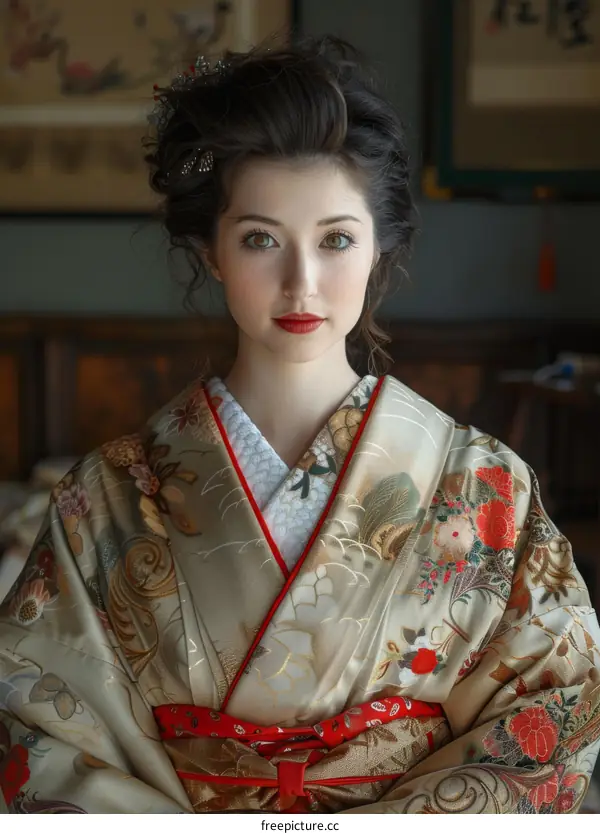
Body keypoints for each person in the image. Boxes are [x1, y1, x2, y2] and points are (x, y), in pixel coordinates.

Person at [1, 36, 599, 815]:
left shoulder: (480, 483)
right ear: (212, 252)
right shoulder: (108, 496)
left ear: (378, 246)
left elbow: (556, 703)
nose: (301, 282)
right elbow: (37, 725)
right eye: (260, 239)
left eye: (335, 239)